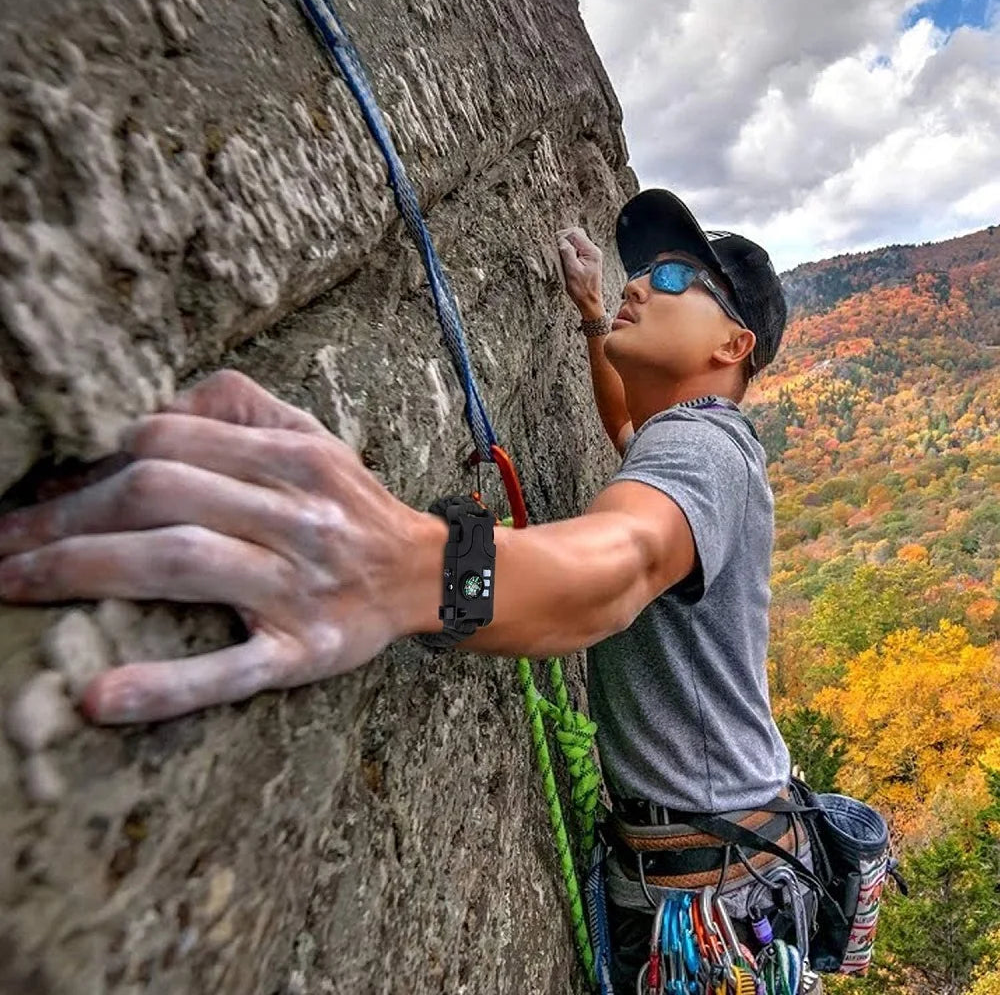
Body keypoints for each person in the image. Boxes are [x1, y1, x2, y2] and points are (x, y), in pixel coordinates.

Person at [0, 188, 793, 987]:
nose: (635, 284)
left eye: (669, 279)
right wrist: (592, 317)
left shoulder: (704, 450)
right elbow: (626, 432)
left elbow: (622, 564)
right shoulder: (688, 441)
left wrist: (407, 565)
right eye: (641, 270)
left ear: (734, 342)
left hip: (711, 898)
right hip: (722, 859)